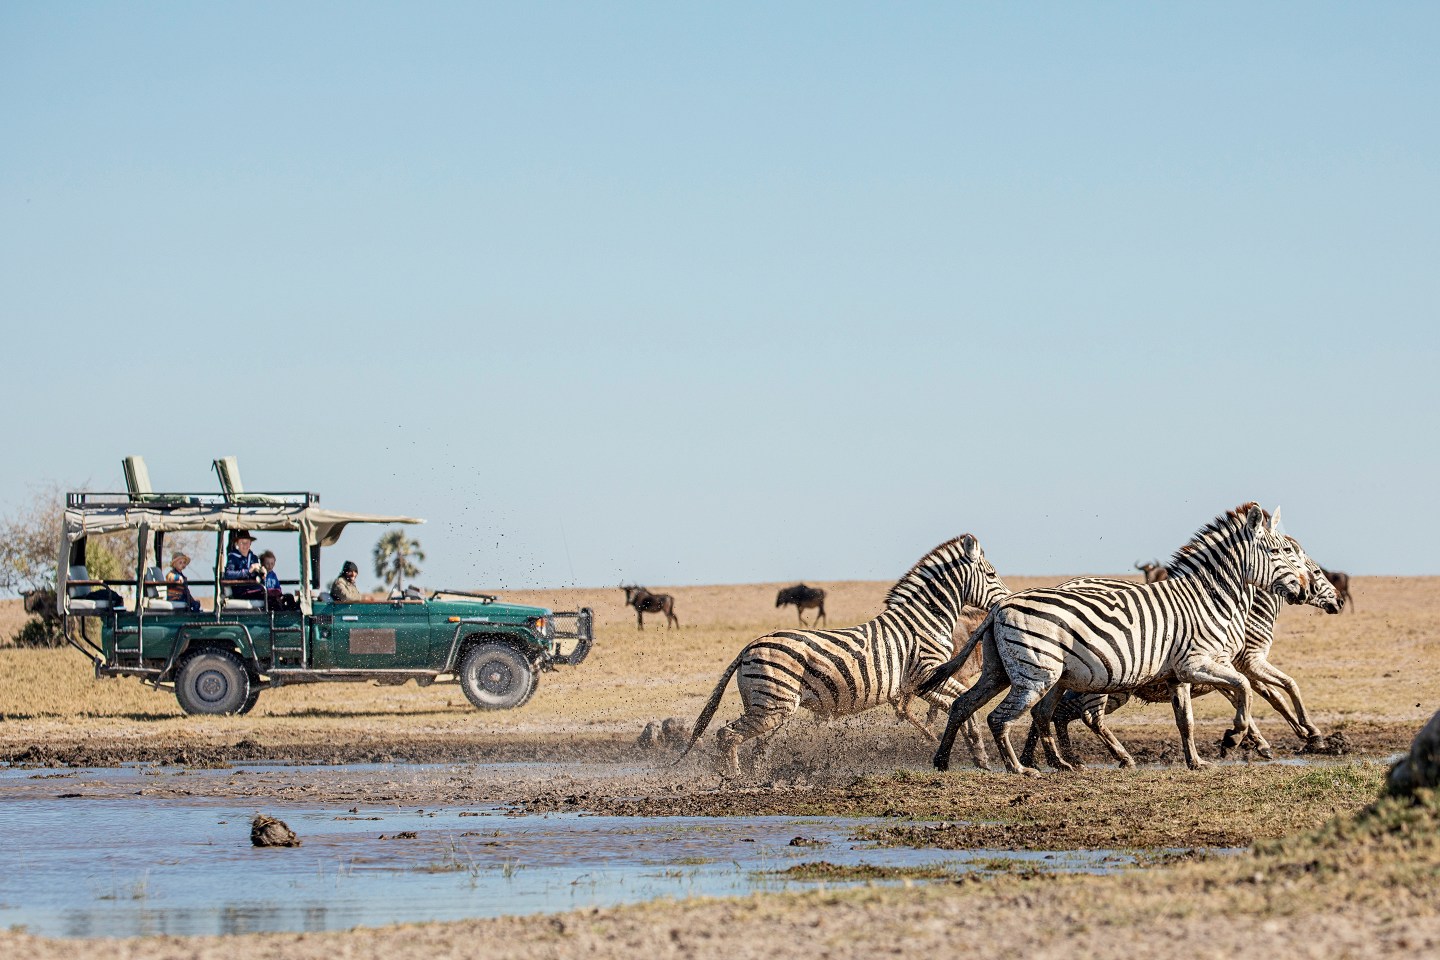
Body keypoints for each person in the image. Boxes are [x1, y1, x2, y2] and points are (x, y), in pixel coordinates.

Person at [224, 530, 265, 600]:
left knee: (274, 595)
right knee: (266, 595)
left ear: (250, 543)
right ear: (237, 543)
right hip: (241, 590)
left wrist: (262, 574)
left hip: (255, 588)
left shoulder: (254, 558)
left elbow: (257, 577)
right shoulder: (233, 557)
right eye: (242, 542)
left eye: (247, 542)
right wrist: (248, 571)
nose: (245, 545)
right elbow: (228, 574)